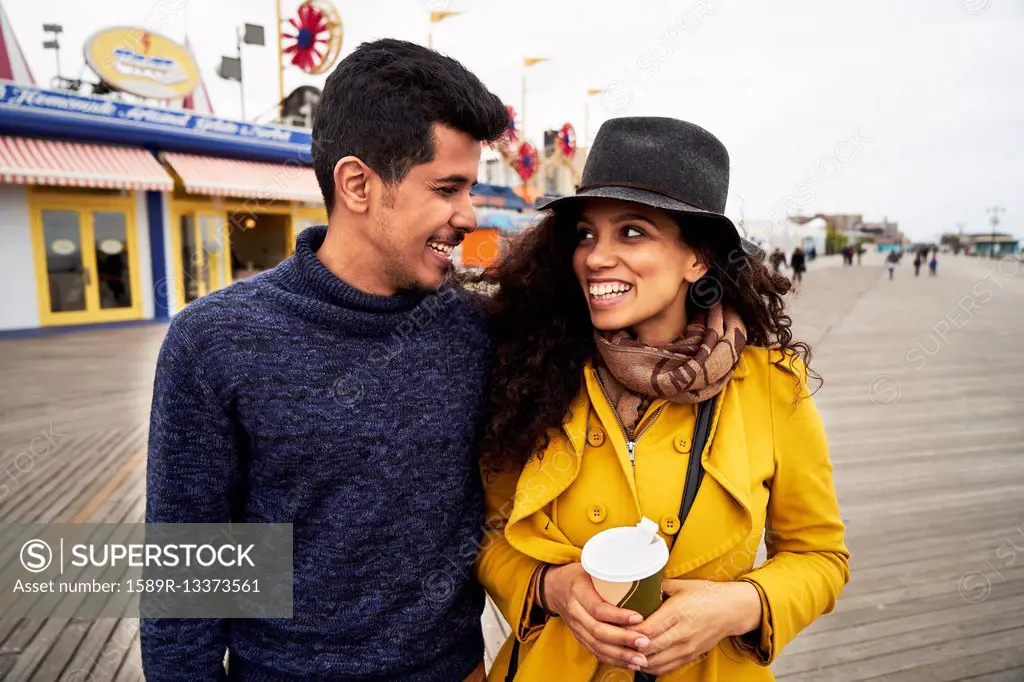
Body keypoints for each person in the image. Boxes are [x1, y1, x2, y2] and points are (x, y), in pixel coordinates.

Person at [142, 39, 507, 682]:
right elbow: (186, 586)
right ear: (358, 184)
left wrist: (716, 306)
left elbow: (606, 336)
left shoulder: (477, 329)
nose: (468, 214)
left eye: (469, 187)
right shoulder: (215, 343)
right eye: (447, 188)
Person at [476, 117, 850, 681]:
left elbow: (821, 557)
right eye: (585, 234)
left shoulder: (773, 386)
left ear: (696, 258)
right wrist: (548, 587)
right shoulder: (532, 371)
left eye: (631, 232)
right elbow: (485, 530)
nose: (596, 257)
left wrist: (738, 606)